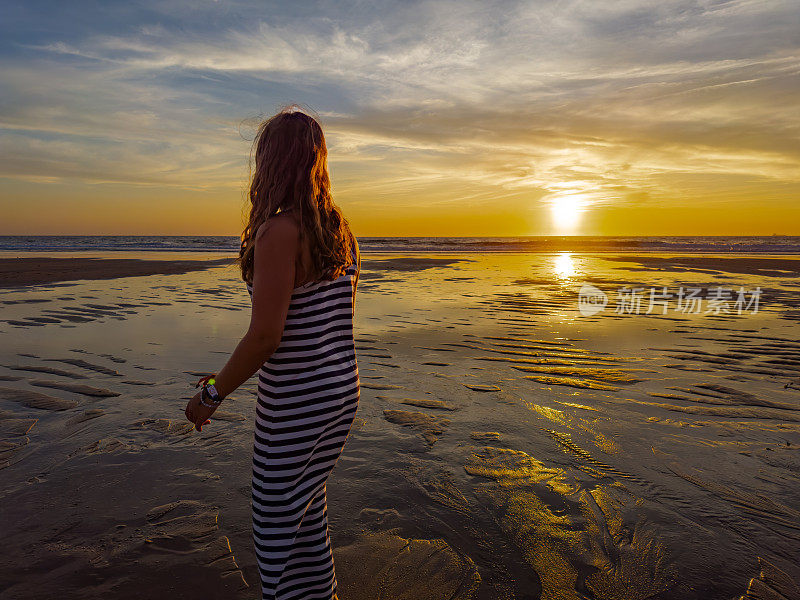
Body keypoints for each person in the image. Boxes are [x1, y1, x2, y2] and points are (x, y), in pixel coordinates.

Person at [184, 105, 361, 600]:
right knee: (306, 516)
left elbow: (266, 336)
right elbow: (315, 322)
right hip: (339, 392)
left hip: (299, 402)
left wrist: (214, 394)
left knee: (276, 525)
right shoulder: (337, 229)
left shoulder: (279, 231)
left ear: (270, 164)